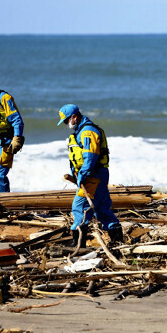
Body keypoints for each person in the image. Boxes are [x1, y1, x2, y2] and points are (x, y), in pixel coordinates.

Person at [57, 104, 123, 247]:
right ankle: (117, 241)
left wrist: (83, 174)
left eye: (66, 121)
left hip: (93, 175)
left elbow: (91, 157)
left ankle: (78, 244)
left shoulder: (87, 132)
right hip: (96, 174)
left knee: (79, 206)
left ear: (74, 117)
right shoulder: (81, 131)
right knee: (101, 208)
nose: (65, 124)